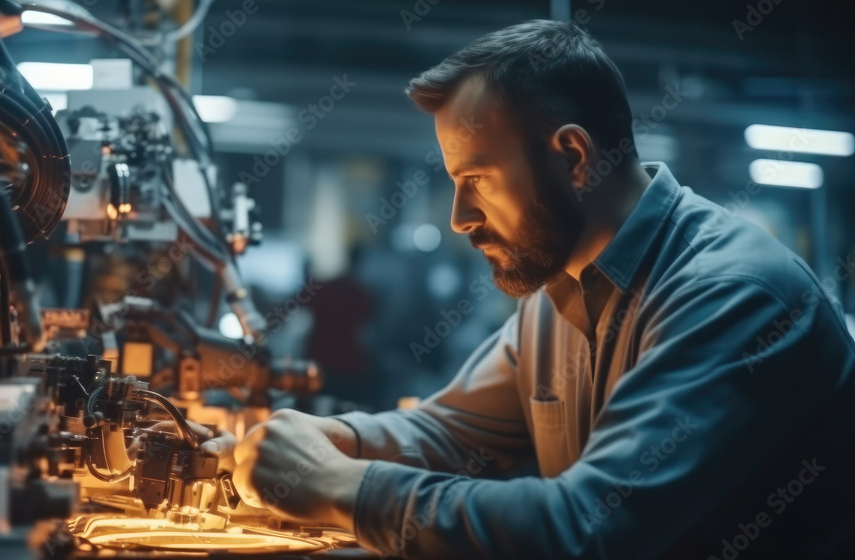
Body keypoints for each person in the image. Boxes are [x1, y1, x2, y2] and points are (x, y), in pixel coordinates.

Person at [201, 20, 855, 559]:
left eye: (478, 178)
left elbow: (587, 531)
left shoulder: (730, 294)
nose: (459, 217)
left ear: (573, 157)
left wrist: (339, 485)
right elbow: (454, 434)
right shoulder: (557, 293)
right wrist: (325, 439)